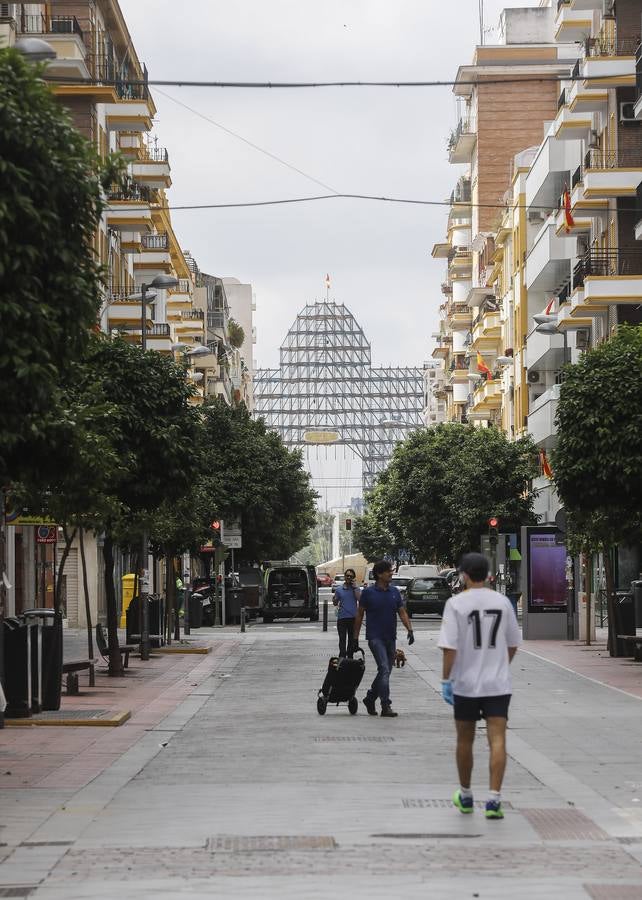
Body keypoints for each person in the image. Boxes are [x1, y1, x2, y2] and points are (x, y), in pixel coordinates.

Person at [438, 552, 521, 820]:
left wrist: (445, 680)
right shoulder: (503, 602)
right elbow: (512, 643)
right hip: (497, 684)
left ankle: (465, 794)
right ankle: (494, 800)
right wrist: (501, 666)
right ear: (487, 575)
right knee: (498, 740)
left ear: (462, 574)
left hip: (465, 684)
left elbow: (449, 649)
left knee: (465, 739)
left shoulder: (456, 604)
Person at [353, 559, 414, 718]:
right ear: (379, 574)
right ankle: (385, 705)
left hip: (390, 637)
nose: (391, 573)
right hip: (375, 637)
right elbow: (359, 615)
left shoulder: (394, 592)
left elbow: (401, 612)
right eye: (388, 571)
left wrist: (410, 629)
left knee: (385, 671)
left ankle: (370, 697)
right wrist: (355, 638)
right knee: (384, 668)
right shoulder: (368, 593)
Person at [333, 568, 360, 658]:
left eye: (351, 576)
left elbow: (360, 599)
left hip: (353, 618)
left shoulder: (356, 589)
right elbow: (335, 603)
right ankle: (342, 657)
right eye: (347, 575)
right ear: (344, 577)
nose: (349, 577)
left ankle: (350, 657)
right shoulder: (339, 589)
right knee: (342, 639)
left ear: (354, 578)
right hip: (342, 618)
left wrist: (355, 587)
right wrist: (335, 600)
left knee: (351, 640)